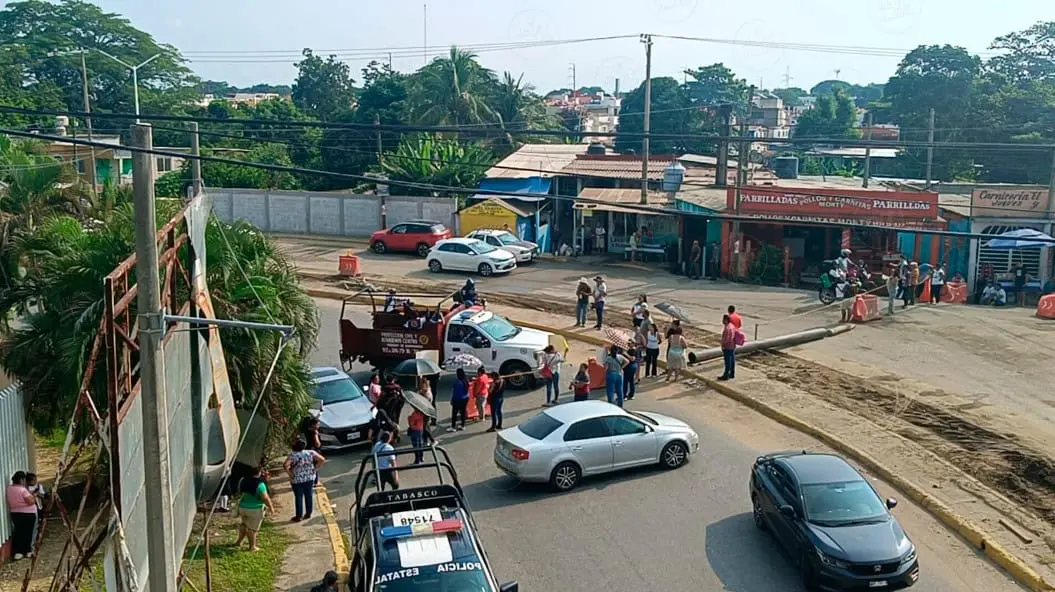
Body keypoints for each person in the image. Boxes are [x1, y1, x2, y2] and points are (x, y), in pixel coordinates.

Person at [234, 465, 275, 551]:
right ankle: (252, 547)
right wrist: (271, 507)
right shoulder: (260, 484)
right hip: (255, 509)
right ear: (259, 472)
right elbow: (265, 497)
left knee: (244, 525)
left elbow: (238, 491)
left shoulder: (243, 480)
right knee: (252, 529)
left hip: (243, 507)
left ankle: (238, 542)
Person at [284, 439, 325, 522]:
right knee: (309, 495)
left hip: (297, 479)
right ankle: (308, 513)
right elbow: (322, 459)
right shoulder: (310, 452)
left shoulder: (292, 455)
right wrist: (315, 469)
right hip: (309, 478)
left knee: (298, 497)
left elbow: (285, 465)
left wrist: (290, 474)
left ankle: (299, 516)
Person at [7, 471, 37, 560]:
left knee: (19, 532)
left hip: (15, 513)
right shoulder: (22, 490)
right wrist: (34, 496)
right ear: (21, 480)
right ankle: (27, 551)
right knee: (28, 533)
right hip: (27, 514)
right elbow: (31, 501)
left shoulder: (9, 488)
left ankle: (17, 552)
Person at [719, 314, 738, 381]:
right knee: (732, 360)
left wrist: (723, 345)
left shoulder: (727, 328)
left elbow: (727, 339)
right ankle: (732, 374)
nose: (722, 321)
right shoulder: (732, 326)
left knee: (728, 362)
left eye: (723, 320)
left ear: (726, 320)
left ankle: (726, 375)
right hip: (732, 346)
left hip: (727, 347)